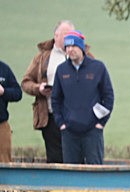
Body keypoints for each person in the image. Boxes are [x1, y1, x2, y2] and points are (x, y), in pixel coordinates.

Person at [51, 30, 114, 165]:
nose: (70, 50)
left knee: (95, 172)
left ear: (81, 47)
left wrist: (101, 123)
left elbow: (108, 97)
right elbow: (55, 99)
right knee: (71, 173)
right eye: (67, 47)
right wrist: (61, 123)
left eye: (73, 46)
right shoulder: (61, 70)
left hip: (92, 132)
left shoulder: (98, 68)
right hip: (69, 133)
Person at [21, 20, 79, 163]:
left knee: (77, 158)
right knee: (55, 159)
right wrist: (39, 88)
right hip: (51, 116)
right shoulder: (43, 57)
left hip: (77, 117)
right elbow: (25, 82)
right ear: (56, 35)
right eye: (65, 35)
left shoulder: (83, 55)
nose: (69, 39)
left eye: (72, 35)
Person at [0, 60, 23, 163]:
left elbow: (18, 93)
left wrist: (4, 92)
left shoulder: (4, 69)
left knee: (4, 162)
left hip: (1, 125)